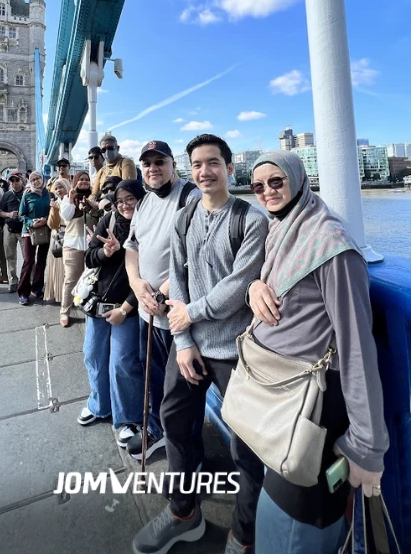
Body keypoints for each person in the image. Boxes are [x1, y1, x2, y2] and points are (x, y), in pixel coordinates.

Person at [132, 134, 268, 554]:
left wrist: (192, 314)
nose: (205, 171)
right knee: (174, 423)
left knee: (246, 445)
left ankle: (244, 534)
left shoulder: (251, 218)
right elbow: (180, 275)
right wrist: (184, 338)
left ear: (229, 167)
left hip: (236, 351)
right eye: (198, 164)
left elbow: (240, 283)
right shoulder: (186, 215)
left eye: (213, 163)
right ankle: (183, 512)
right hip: (189, 345)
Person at [247, 151, 389, 553]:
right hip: (279, 399)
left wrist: (367, 446)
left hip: (314, 407)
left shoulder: (330, 244)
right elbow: (271, 281)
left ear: (299, 178)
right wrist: (254, 287)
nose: (267, 192)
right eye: (258, 186)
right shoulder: (283, 230)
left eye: (276, 181)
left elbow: (358, 349)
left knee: (292, 524)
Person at [124, 140, 201, 462]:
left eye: (160, 162)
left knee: (183, 391)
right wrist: (136, 282)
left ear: (173, 164)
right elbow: (132, 248)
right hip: (147, 313)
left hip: (175, 315)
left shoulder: (190, 198)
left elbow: (196, 255)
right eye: (147, 164)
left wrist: (161, 292)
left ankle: (188, 454)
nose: (153, 168)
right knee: (153, 378)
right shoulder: (142, 204)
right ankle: (157, 432)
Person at [78, 179, 146, 447]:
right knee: (93, 355)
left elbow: (149, 274)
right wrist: (106, 252)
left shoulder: (147, 226)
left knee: (123, 364)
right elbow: (89, 258)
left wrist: (127, 306)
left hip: (128, 309)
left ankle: (127, 418)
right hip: (99, 305)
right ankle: (99, 404)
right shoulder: (108, 220)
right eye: (120, 201)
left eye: (131, 199)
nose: (125, 205)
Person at [59, 170, 100, 327]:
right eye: (81, 179)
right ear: (75, 181)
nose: (84, 182)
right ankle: (65, 311)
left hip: (92, 246)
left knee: (91, 280)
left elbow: (100, 212)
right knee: (71, 280)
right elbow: (66, 216)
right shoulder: (67, 198)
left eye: (86, 179)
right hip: (73, 245)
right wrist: (71, 198)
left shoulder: (94, 198)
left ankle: (87, 308)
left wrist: (91, 204)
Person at [18, 171, 52, 306]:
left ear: (43, 179)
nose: (36, 181)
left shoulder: (49, 194)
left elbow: (54, 211)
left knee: (42, 261)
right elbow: (22, 214)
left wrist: (46, 220)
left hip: (45, 230)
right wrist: (31, 222)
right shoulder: (27, 194)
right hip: (30, 231)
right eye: (32, 180)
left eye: (38, 178)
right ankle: (23, 293)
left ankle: (37, 288)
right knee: (29, 261)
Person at [0, 171, 26, 293]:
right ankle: (13, 281)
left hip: (24, 229)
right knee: (10, 256)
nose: (15, 183)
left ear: (22, 180)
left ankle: (28, 281)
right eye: (12, 181)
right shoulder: (7, 195)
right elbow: (0, 212)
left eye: (17, 180)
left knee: (27, 257)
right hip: (9, 229)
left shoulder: (27, 193)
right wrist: (9, 214)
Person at [44, 178, 70, 304]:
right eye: (56, 188)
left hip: (69, 236)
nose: (58, 190)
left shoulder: (71, 202)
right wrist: (54, 210)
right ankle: (58, 294)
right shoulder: (55, 203)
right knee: (56, 266)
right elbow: (52, 225)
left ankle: (67, 296)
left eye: (61, 187)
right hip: (56, 237)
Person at [91, 134, 137, 199]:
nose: (107, 152)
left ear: (118, 148)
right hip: (103, 205)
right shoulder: (102, 171)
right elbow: (94, 195)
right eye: (103, 150)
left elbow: (128, 189)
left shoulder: (126, 163)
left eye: (110, 148)